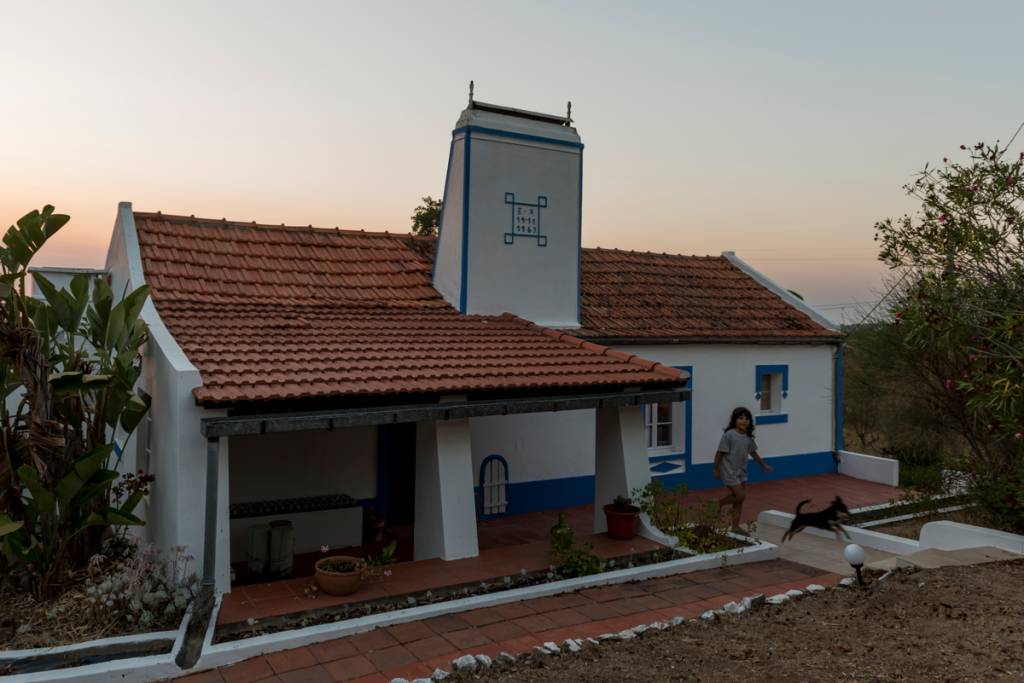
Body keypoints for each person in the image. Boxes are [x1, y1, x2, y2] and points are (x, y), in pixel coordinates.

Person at [712, 407, 773, 532]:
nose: (744, 421)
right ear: (734, 420)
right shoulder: (729, 435)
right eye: (740, 418)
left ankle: (735, 526)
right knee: (740, 496)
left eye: (746, 419)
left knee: (739, 500)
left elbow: (753, 452)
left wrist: (763, 464)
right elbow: (719, 453)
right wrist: (716, 469)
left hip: (742, 472)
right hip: (729, 471)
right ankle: (718, 503)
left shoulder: (748, 437)